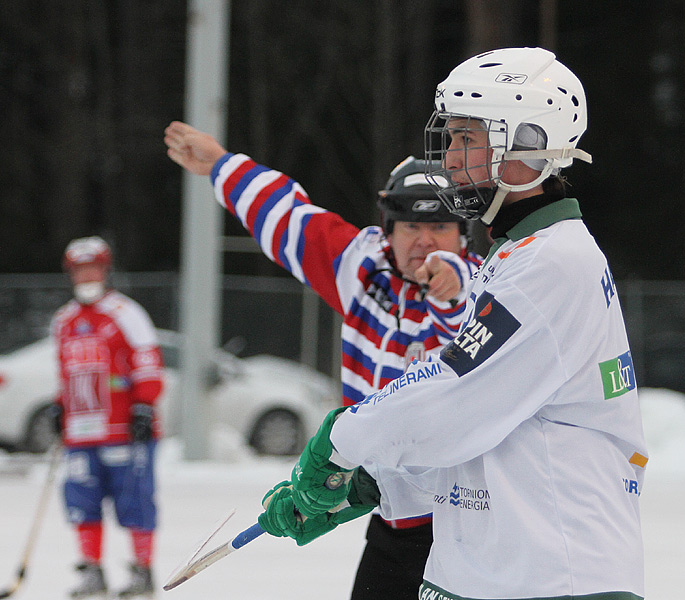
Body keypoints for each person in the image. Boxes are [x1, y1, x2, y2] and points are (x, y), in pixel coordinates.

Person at [255, 47, 648, 600]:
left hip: (551, 578)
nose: (451, 159)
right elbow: (494, 431)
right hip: (501, 571)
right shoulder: (520, 256)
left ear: (528, 145)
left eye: (468, 138)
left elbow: (455, 393)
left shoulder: (552, 265)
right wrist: (373, 486)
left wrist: (341, 441)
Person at [163, 124, 482, 600]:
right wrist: (220, 165)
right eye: (412, 227)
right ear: (388, 231)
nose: (425, 242)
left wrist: (454, 288)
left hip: (466, 527)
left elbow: (463, 332)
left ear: (462, 236)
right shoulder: (361, 269)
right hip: (392, 523)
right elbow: (290, 220)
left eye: (440, 227)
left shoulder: (485, 290)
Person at [51, 236, 164, 599]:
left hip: (123, 429)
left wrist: (144, 405)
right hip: (82, 430)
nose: (87, 275)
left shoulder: (125, 312)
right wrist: (59, 406)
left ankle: (142, 570)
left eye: (93, 267)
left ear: (106, 269)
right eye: (80, 269)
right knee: (81, 500)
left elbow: (148, 360)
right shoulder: (64, 320)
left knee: (134, 499)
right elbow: (66, 372)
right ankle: (92, 570)